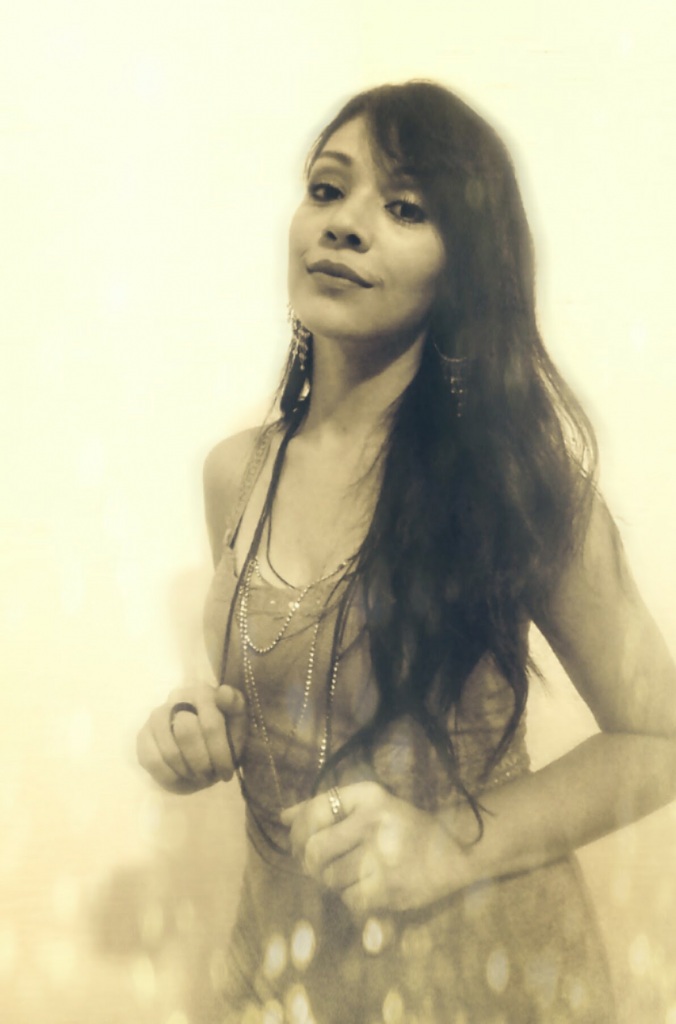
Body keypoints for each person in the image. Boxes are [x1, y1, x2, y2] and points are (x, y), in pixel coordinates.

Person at [136, 81, 676, 1023]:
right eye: (327, 189)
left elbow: (659, 740)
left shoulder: (514, 486)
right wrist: (197, 722)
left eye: (406, 207)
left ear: (464, 264)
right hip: (282, 971)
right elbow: (291, 688)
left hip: (482, 978)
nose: (344, 225)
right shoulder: (236, 474)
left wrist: (445, 846)